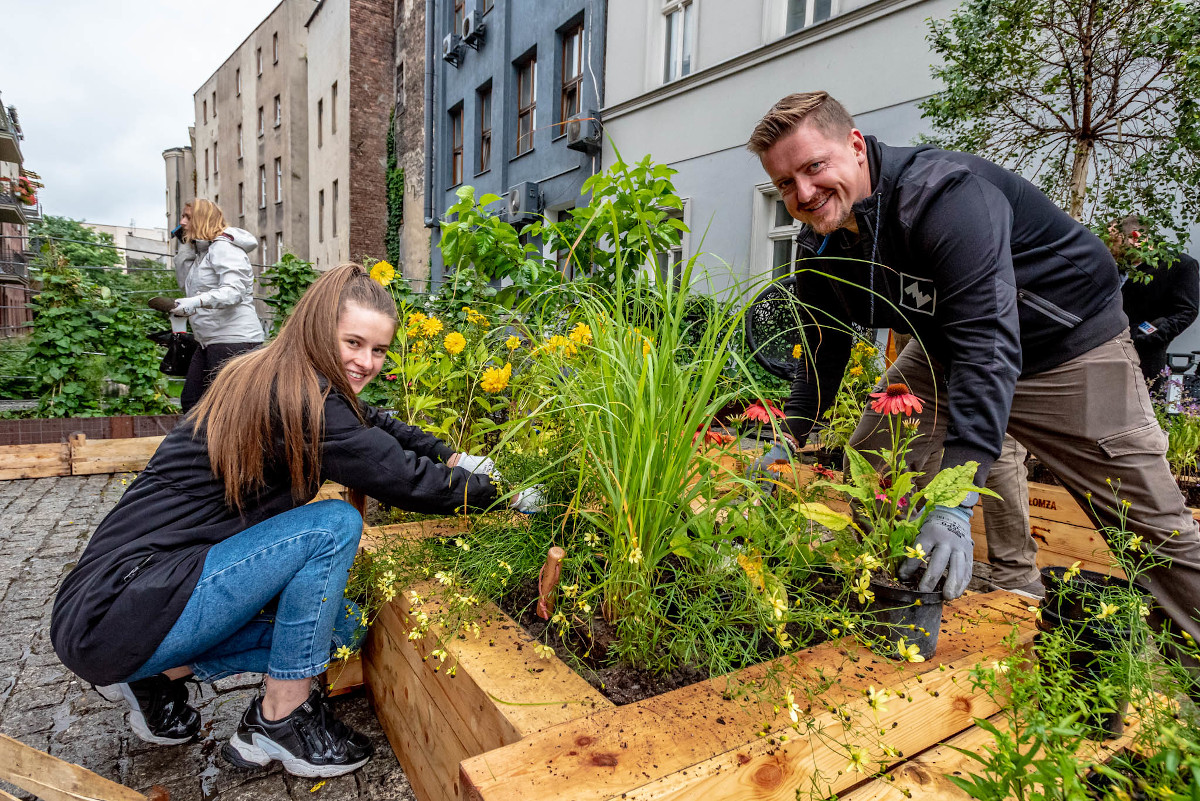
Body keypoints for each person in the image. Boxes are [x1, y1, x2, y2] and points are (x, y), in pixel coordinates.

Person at [747, 91, 1200, 651]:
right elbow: (825, 340)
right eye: (786, 184)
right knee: (872, 457)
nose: (804, 193)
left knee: (1148, 526)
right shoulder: (821, 241)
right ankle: (904, 586)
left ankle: (1186, 658)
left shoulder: (942, 196)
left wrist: (956, 503)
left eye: (814, 167)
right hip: (947, 345)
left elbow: (989, 340)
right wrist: (789, 435)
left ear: (856, 146)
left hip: (1069, 348)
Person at [50, 263, 535, 777]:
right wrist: (508, 493)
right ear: (319, 329)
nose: (366, 362)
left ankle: (156, 675)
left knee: (340, 628)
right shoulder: (302, 403)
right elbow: (407, 481)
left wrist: (452, 456)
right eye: (353, 343)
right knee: (331, 527)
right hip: (119, 605)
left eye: (379, 350)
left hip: (135, 602)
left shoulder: (278, 377)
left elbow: (379, 425)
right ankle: (280, 718)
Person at [170, 198, 265, 413]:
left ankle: (233, 447)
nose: (181, 222)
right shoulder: (202, 254)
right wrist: (185, 246)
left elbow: (235, 291)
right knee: (193, 403)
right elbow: (187, 286)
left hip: (235, 341)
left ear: (202, 219)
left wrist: (196, 302)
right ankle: (205, 447)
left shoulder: (225, 248)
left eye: (187, 217)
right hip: (209, 341)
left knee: (230, 411)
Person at [1114, 216, 1200, 391]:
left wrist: (1147, 334)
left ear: (1135, 238)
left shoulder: (1179, 265)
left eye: (1115, 241)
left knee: (1144, 407)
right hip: (1108, 352)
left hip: (1146, 357)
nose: (1110, 247)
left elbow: (1187, 311)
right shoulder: (1117, 267)